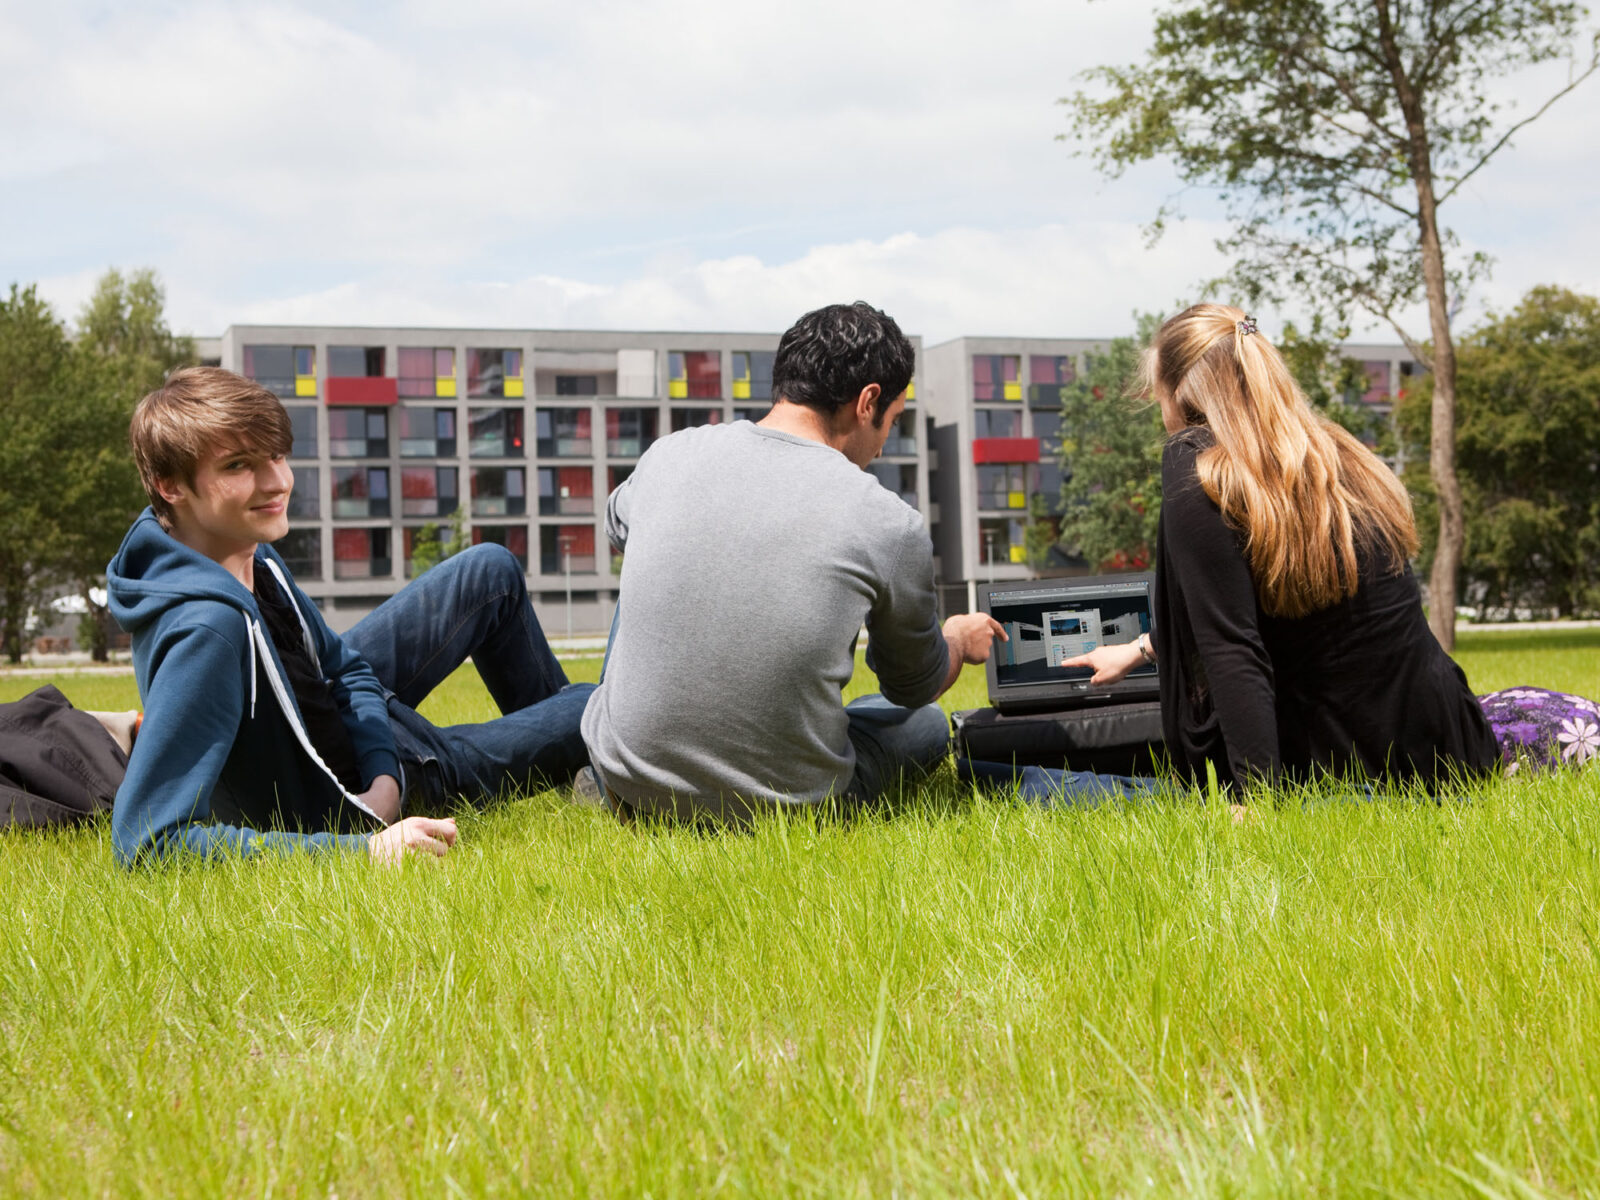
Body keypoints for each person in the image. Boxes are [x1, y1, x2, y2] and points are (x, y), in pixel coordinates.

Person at [108, 366, 593, 866]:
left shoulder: (246, 551)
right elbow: (147, 842)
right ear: (171, 487)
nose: (278, 482)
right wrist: (366, 844)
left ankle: (579, 775)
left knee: (490, 571)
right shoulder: (207, 632)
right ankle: (595, 770)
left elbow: (345, 668)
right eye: (238, 466)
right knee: (593, 704)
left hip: (361, 747)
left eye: (277, 455)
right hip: (356, 797)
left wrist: (379, 770)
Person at [580, 302, 1005, 822]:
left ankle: (609, 770)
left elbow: (617, 529)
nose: (883, 442)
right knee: (924, 725)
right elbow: (912, 685)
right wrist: (958, 639)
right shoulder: (888, 521)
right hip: (789, 806)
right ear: (868, 401)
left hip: (628, 785)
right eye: (892, 421)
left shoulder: (672, 453)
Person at [1059, 304, 1506, 796]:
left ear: (1180, 390)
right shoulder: (1335, 452)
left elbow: (1233, 647)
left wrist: (1256, 802)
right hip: (1453, 752)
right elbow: (1293, 618)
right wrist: (1141, 649)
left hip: (1354, 774)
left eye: (1154, 387)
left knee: (1025, 780)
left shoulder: (1194, 465)